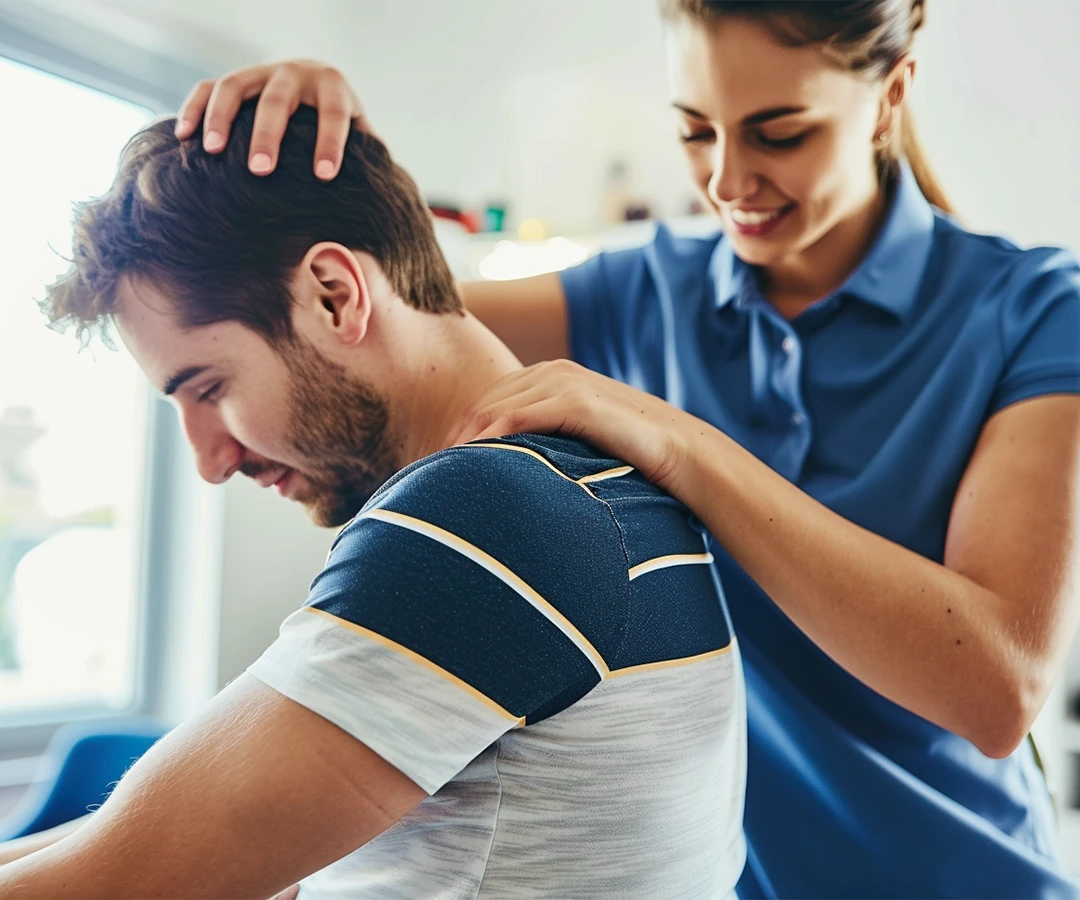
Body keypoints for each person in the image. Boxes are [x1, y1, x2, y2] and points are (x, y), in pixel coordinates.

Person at [179, 0, 1080, 896]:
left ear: (891, 95)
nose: (728, 180)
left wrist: (680, 443)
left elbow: (997, 689)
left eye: (780, 133)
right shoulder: (645, 288)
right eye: (696, 132)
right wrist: (331, 172)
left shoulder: (1035, 312)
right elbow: (387, 317)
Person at [0, 103, 748, 898]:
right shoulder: (589, 488)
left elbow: (111, 885)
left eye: (210, 389)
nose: (209, 462)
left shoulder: (490, 517)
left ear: (333, 294)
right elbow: (148, 842)